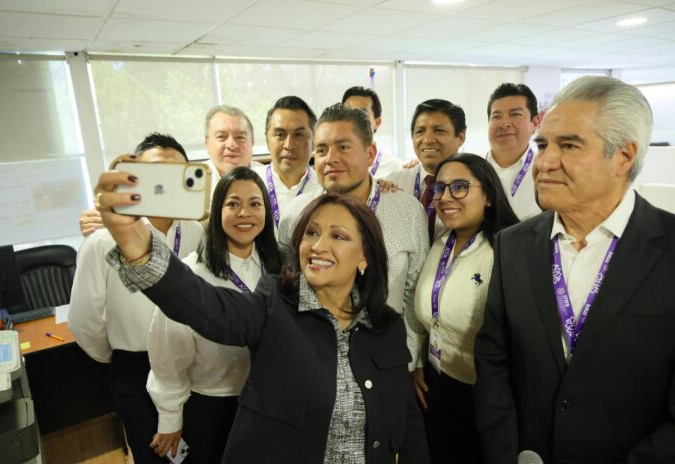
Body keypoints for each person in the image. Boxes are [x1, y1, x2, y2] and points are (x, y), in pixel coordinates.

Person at [92, 164, 431, 463]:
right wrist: (137, 245)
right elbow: (204, 305)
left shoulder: (387, 325)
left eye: (338, 236)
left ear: (364, 257)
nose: (318, 245)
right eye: (311, 232)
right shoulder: (275, 305)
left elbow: (406, 419)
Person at [474, 76, 675, 463]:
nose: (544, 162)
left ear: (624, 156)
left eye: (568, 145)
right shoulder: (513, 245)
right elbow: (493, 361)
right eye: (542, 145)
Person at [69, 133, 205, 464]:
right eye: (156, 172)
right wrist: (117, 356)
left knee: (195, 453)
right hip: (136, 367)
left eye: (176, 172)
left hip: (190, 362)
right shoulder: (103, 241)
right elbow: (84, 320)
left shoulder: (196, 232)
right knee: (153, 457)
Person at [278, 103, 430, 372]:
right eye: (321, 150)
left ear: (370, 154)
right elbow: (288, 291)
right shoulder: (295, 214)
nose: (330, 158)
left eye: (343, 147)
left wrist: (411, 361)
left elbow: (413, 293)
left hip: (386, 360)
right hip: (315, 361)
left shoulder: (407, 211)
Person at [147, 167, 282, 463]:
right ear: (217, 211)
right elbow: (168, 355)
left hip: (271, 404)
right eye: (233, 204)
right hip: (213, 407)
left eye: (255, 203)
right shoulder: (193, 275)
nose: (244, 213)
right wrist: (170, 417)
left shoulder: (279, 268)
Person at [411, 154, 518, 463]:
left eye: (460, 187)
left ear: (488, 195)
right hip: (436, 383)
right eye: (440, 188)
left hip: (484, 396)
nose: (445, 197)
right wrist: (420, 362)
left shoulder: (507, 250)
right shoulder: (440, 241)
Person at [79, 105, 257, 236]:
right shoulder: (182, 178)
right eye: (221, 137)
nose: (232, 145)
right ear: (207, 144)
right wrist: (105, 219)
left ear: (253, 142)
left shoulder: (266, 176)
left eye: (240, 137)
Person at [387, 99, 467, 241]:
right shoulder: (394, 182)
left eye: (439, 131)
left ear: (461, 137)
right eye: (420, 131)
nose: (428, 140)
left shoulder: (474, 184)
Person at [253, 96, 321, 229]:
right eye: (280, 135)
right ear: (267, 141)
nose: (289, 145)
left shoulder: (325, 189)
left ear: (314, 141)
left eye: (298, 135)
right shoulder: (249, 184)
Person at [485, 83, 542, 220]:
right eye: (496, 116)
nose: (504, 124)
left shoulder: (546, 174)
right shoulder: (470, 171)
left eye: (516, 114)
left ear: (535, 123)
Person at [342, 86, 401, 179]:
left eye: (361, 114)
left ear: (377, 123)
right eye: (347, 113)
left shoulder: (396, 170)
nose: (352, 120)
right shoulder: (328, 165)